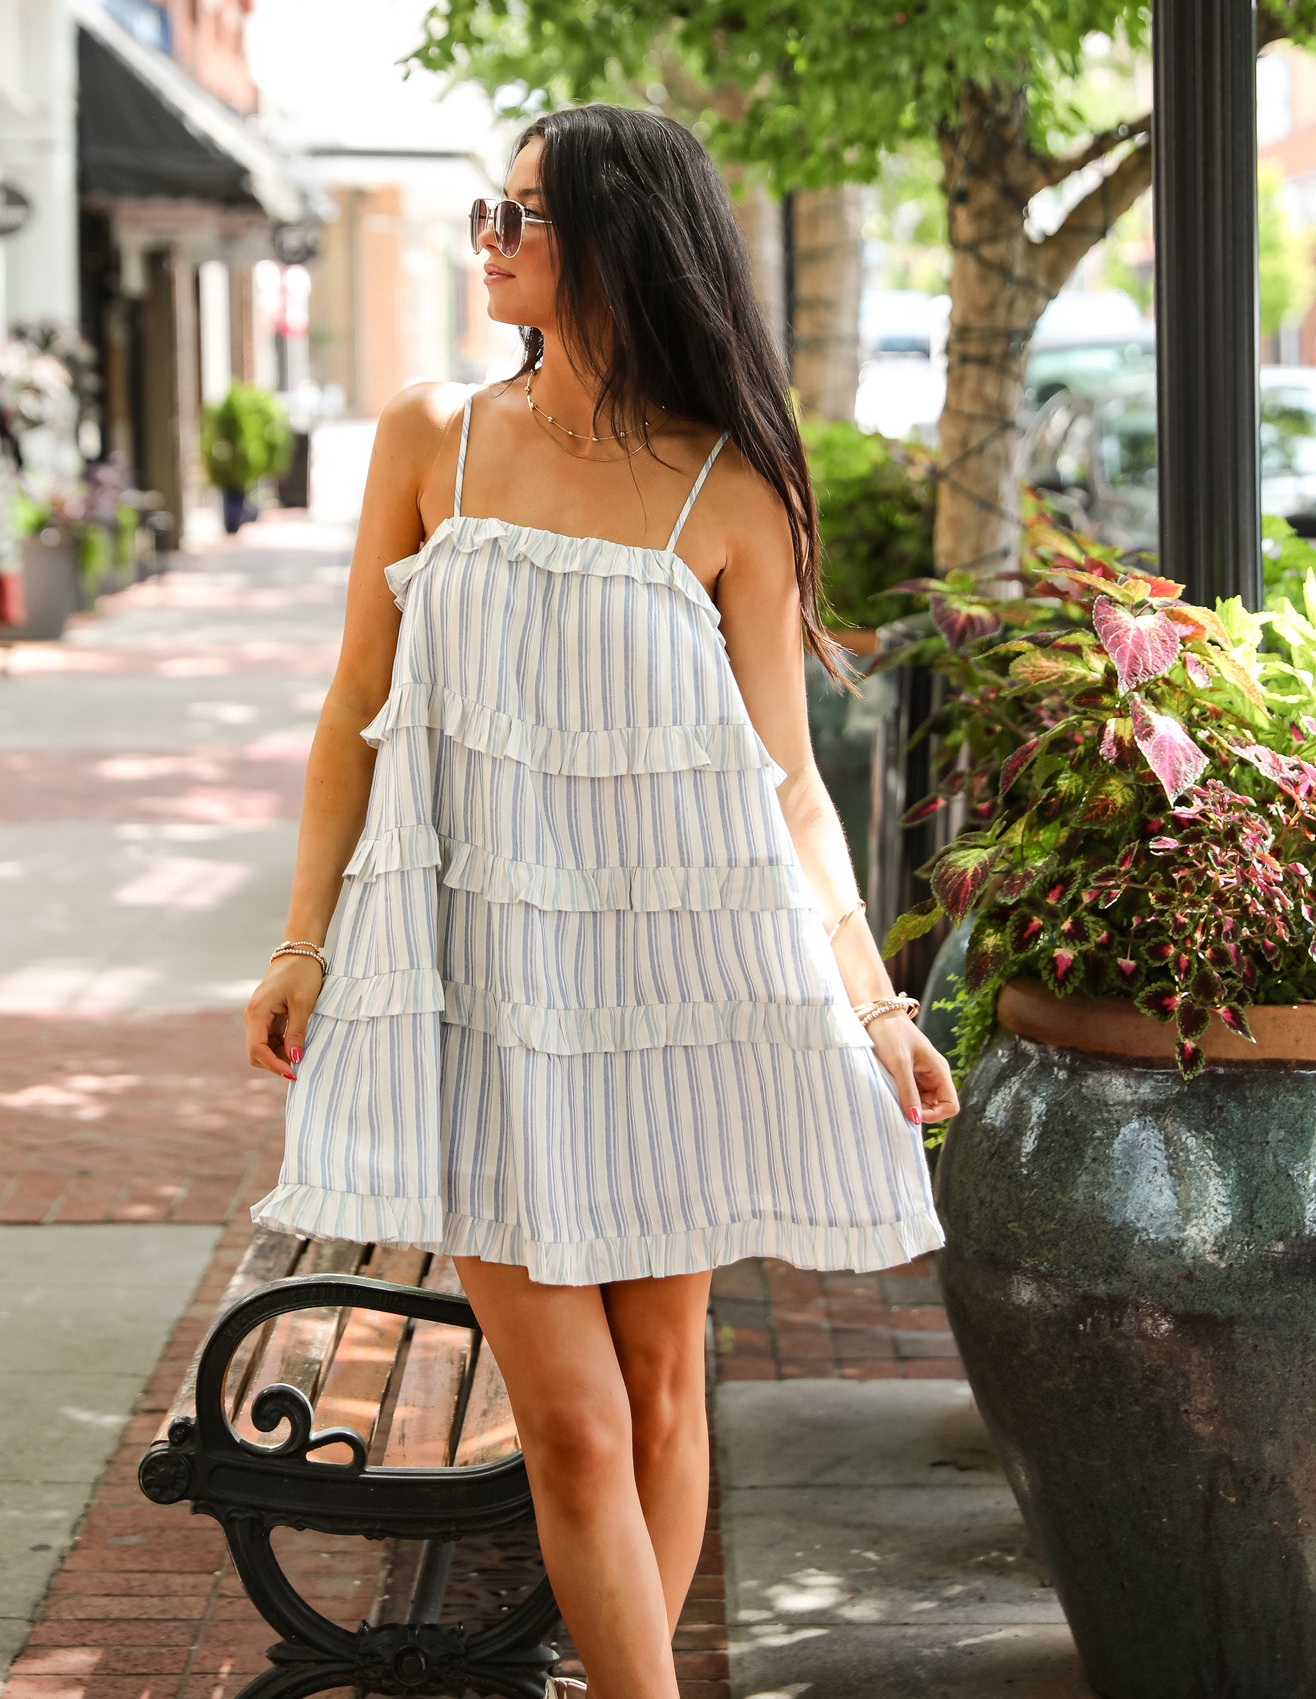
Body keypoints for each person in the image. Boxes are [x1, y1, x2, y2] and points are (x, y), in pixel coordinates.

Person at [244, 103, 959, 1699]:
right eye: (487, 213)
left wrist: (875, 1006)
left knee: (660, 1392)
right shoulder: (430, 437)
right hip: (479, 992)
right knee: (571, 1420)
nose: (490, 242)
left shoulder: (731, 490)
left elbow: (790, 787)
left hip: (670, 994)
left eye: (523, 217)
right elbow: (354, 705)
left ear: (619, 239)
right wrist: (302, 939)